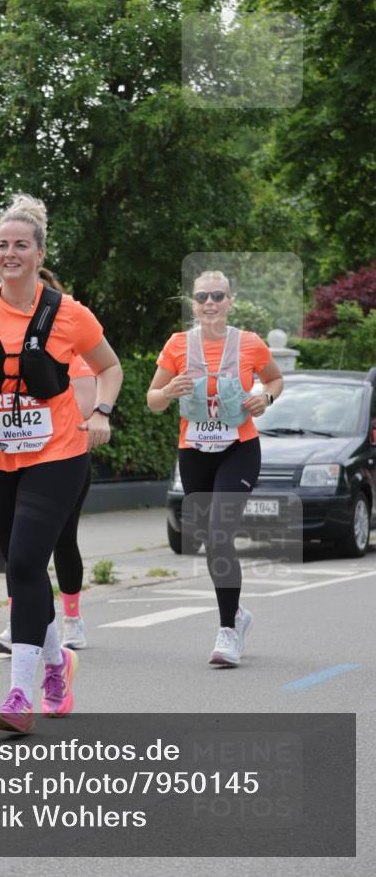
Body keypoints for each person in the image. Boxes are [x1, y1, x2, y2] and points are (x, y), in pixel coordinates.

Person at [0, 194, 122, 732]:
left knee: (21, 566)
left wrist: (103, 411)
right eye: (2, 245)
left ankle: (20, 693)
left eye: (21, 245)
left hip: (57, 451)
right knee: (24, 567)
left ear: (39, 254)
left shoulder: (68, 313)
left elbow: (109, 368)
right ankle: (60, 662)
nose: (10, 253)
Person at [147, 270, 283, 666]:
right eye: (202, 296)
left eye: (217, 296)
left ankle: (226, 631)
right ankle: (238, 615)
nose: (210, 303)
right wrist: (168, 391)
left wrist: (265, 398)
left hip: (238, 449)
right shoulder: (176, 345)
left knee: (220, 533)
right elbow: (152, 399)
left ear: (229, 301)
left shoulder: (250, 344)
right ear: (193, 302)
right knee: (209, 538)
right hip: (193, 451)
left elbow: (275, 381)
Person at [0, 278, 97, 655]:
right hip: (11, 459)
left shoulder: (68, 349)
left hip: (59, 459)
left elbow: (85, 402)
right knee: (17, 551)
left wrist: (40, 406)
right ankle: (21, 620)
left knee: (63, 542)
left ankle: (72, 618)